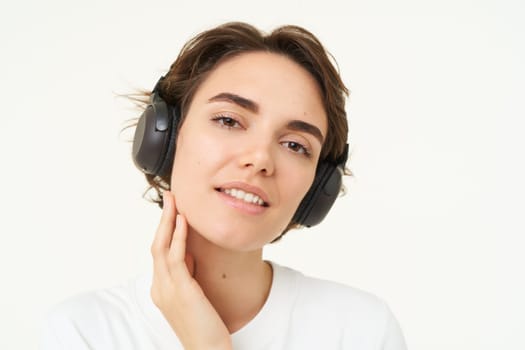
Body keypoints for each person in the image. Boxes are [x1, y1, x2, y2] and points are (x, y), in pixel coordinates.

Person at [40, 22, 407, 349]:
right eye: (229, 120)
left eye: (296, 145)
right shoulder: (84, 332)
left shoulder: (360, 331)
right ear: (163, 136)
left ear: (318, 188)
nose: (260, 159)